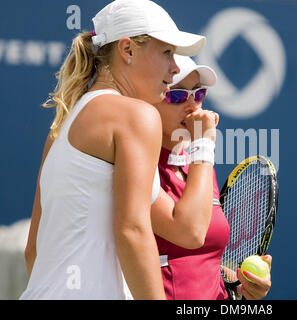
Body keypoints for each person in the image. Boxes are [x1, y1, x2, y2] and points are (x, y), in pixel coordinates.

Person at [20, 0, 206, 300]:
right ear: (128, 50)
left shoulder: (61, 128)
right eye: (167, 52)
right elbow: (132, 231)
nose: (174, 69)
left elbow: (34, 251)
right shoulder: (137, 116)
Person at [150, 55, 272, 300]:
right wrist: (204, 145)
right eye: (177, 95)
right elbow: (184, 237)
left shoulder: (199, 165)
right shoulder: (137, 165)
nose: (193, 104)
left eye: (199, 93)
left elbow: (202, 262)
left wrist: (240, 287)